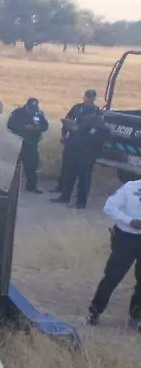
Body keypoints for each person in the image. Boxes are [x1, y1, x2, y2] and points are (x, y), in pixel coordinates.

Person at [87, 178, 141, 328]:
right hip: (126, 238)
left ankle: (136, 317)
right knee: (112, 277)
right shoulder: (131, 187)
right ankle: (94, 311)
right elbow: (109, 207)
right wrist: (129, 221)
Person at [52, 89, 105, 209]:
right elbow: (69, 122)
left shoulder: (98, 122)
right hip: (74, 149)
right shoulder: (78, 110)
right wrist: (67, 133)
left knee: (84, 178)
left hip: (87, 154)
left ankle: (81, 202)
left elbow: (97, 139)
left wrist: (80, 133)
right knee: (70, 173)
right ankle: (65, 196)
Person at [7, 98, 49, 193]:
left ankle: (31, 186)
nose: (32, 110)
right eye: (31, 108)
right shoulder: (17, 113)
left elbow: (45, 126)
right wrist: (24, 127)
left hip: (32, 144)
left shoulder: (39, 113)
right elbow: (10, 125)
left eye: (34, 108)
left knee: (32, 166)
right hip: (18, 142)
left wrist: (36, 128)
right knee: (12, 166)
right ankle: (8, 187)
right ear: (26, 106)